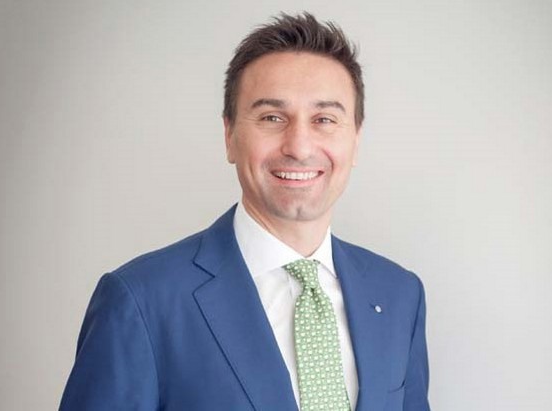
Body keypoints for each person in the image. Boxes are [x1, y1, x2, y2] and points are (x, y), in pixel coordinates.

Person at [60, 12, 430, 411]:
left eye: (324, 119)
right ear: (230, 135)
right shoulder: (142, 301)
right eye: (272, 117)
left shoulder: (399, 294)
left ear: (355, 139)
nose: (299, 146)